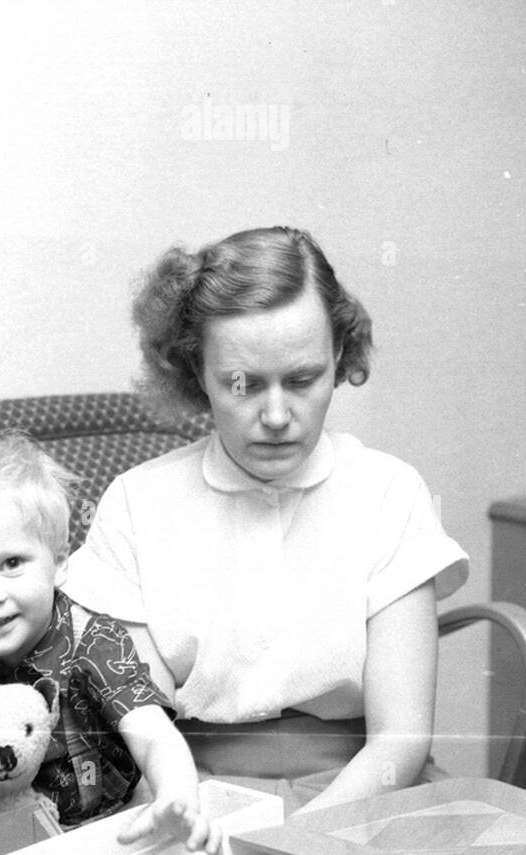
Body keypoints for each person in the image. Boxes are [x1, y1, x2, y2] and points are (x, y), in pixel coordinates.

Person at [64, 226, 469, 815]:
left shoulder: (389, 493)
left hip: (364, 793)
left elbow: (399, 741)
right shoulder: (136, 504)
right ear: (195, 370)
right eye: (243, 384)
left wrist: (299, 840)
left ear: (339, 358)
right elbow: (144, 728)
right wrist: (192, 822)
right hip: (190, 793)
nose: (277, 416)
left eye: (303, 380)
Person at [0, 433, 222, 855]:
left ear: (59, 563)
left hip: (104, 829)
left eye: (11, 564)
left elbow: (153, 735)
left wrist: (176, 797)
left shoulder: (94, 640)